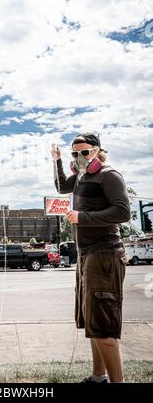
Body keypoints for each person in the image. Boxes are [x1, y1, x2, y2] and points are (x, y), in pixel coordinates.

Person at [51, 133, 130, 383]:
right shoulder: (82, 176)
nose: (80, 158)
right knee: (92, 323)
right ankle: (99, 378)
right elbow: (61, 186)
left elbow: (123, 211)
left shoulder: (109, 175)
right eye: (76, 154)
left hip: (104, 253)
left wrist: (82, 217)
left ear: (97, 151)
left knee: (104, 327)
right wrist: (57, 160)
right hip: (86, 254)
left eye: (84, 152)